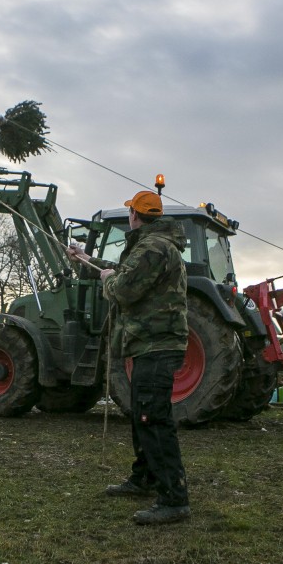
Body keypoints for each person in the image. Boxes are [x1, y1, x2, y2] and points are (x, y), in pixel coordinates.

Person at [67, 189, 191, 526]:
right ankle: (145, 478)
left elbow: (122, 288)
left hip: (156, 345)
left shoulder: (153, 248)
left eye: (130, 213)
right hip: (148, 345)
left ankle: (174, 498)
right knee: (143, 415)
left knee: (154, 419)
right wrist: (87, 259)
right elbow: (125, 271)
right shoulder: (153, 247)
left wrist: (108, 281)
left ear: (135, 215)